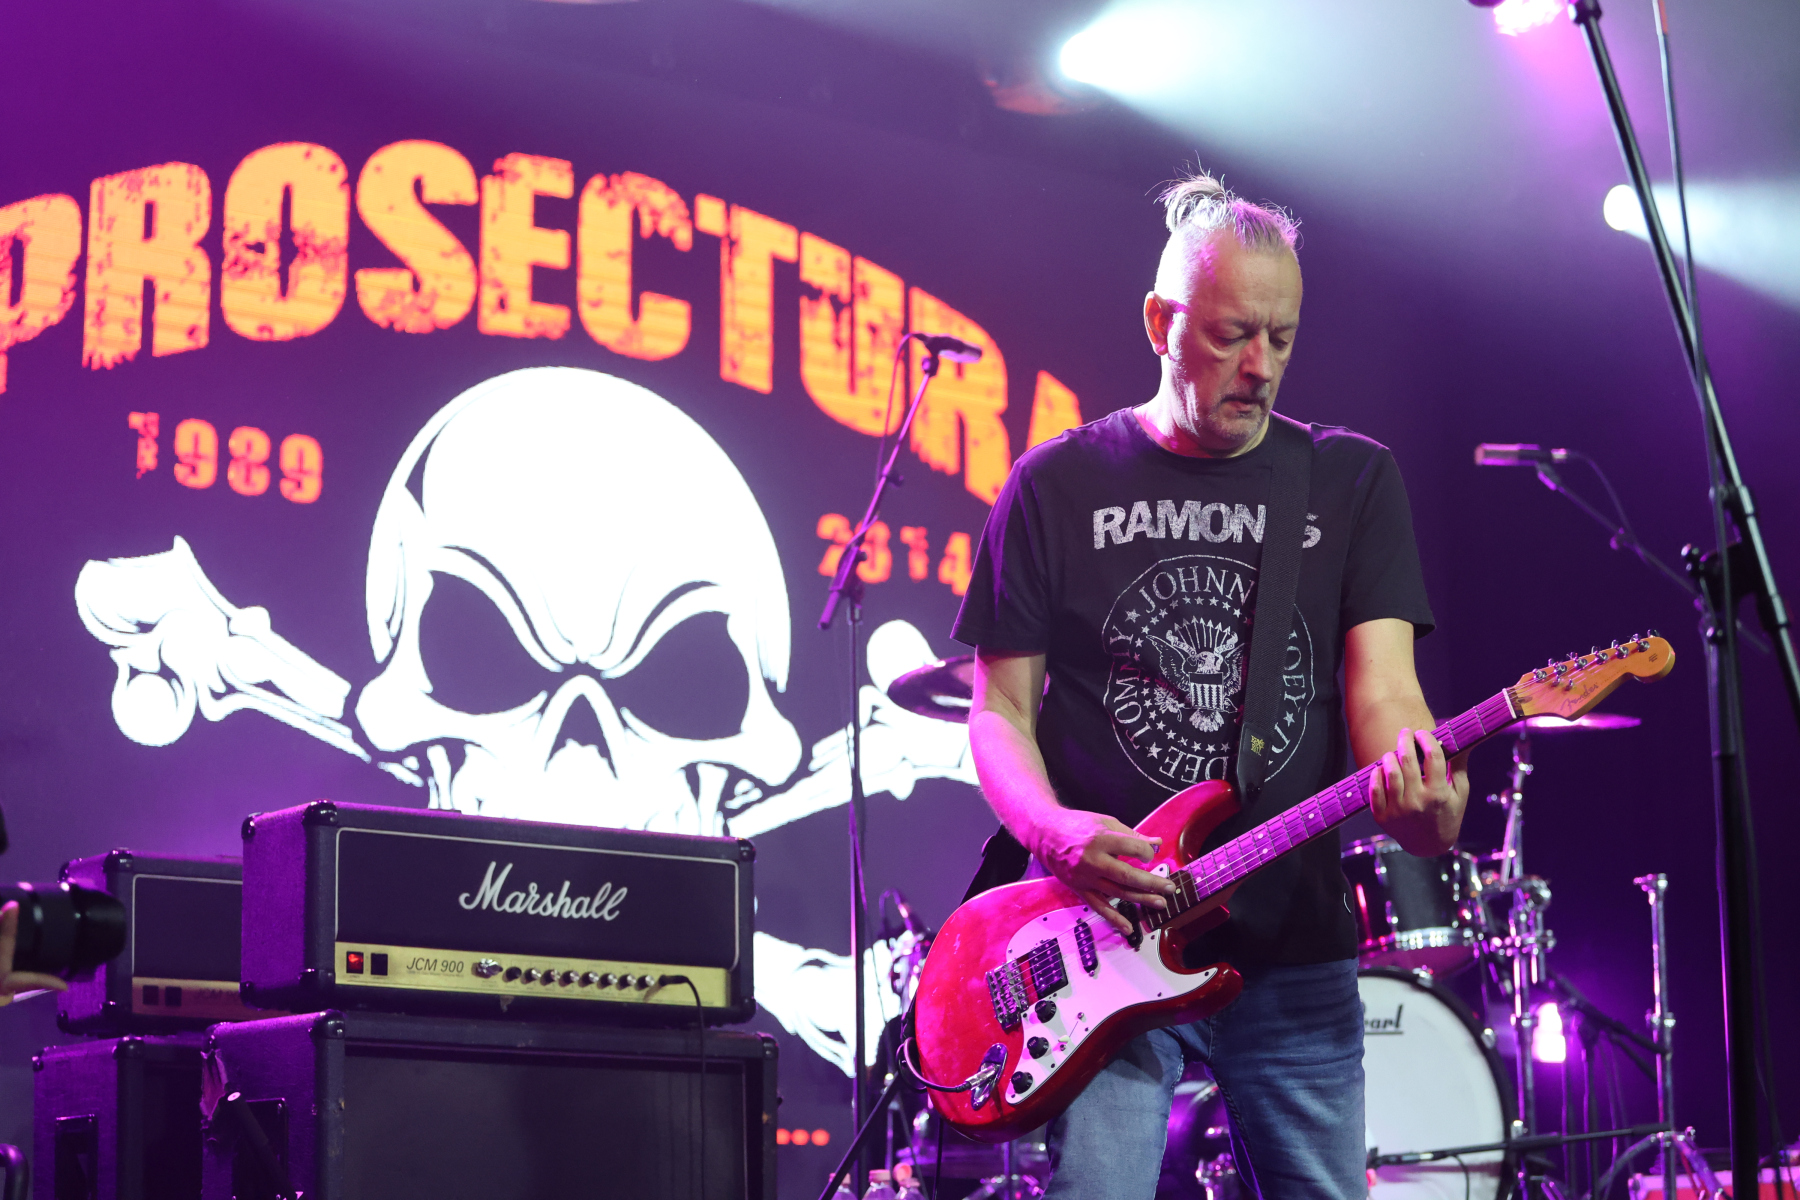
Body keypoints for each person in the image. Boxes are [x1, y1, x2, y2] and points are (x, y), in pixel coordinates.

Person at [950, 172, 1469, 1200]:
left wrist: (1425, 801)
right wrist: (1055, 833)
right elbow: (999, 712)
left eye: (1282, 338)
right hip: (1106, 944)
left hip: (1293, 949)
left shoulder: (1350, 482)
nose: (1260, 366)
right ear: (1160, 322)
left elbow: (1385, 698)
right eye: (1233, 335)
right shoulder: (1055, 484)